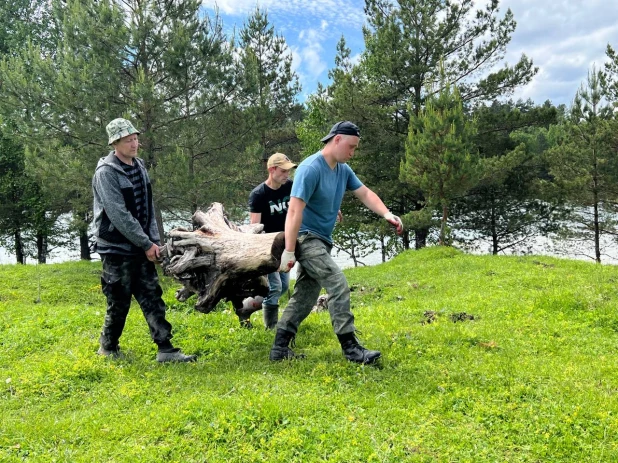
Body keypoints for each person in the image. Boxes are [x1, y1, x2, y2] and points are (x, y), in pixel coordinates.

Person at [269, 121, 403, 364]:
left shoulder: (343, 170)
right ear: (337, 139)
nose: (353, 152)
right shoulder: (310, 168)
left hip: (322, 240)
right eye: (351, 146)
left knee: (305, 296)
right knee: (337, 282)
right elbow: (294, 211)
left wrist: (386, 213)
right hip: (306, 238)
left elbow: (365, 193)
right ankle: (350, 348)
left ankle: (279, 349)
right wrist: (289, 250)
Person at [92, 118, 196, 363]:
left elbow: (148, 207)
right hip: (115, 248)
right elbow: (119, 215)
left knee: (151, 295)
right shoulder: (105, 173)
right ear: (115, 142)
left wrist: (154, 242)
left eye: (136, 138)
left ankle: (166, 350)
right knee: (118, 299)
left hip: (140, 244)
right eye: (128, 140)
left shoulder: (139, 166)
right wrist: (145, 243)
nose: (135, 143)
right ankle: (108, 348)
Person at [248, 152, 297, 329]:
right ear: (272, 170)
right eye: (283, 171)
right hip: (267, 246)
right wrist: (265, 256)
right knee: (275, 287)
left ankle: (247, 306)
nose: (287, 175)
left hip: (286, 244)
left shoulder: (291, 187)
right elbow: (254, 227)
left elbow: (307, 201)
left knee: (283, 286)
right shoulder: (258, 195)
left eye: (288, 171)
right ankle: (271, 327)